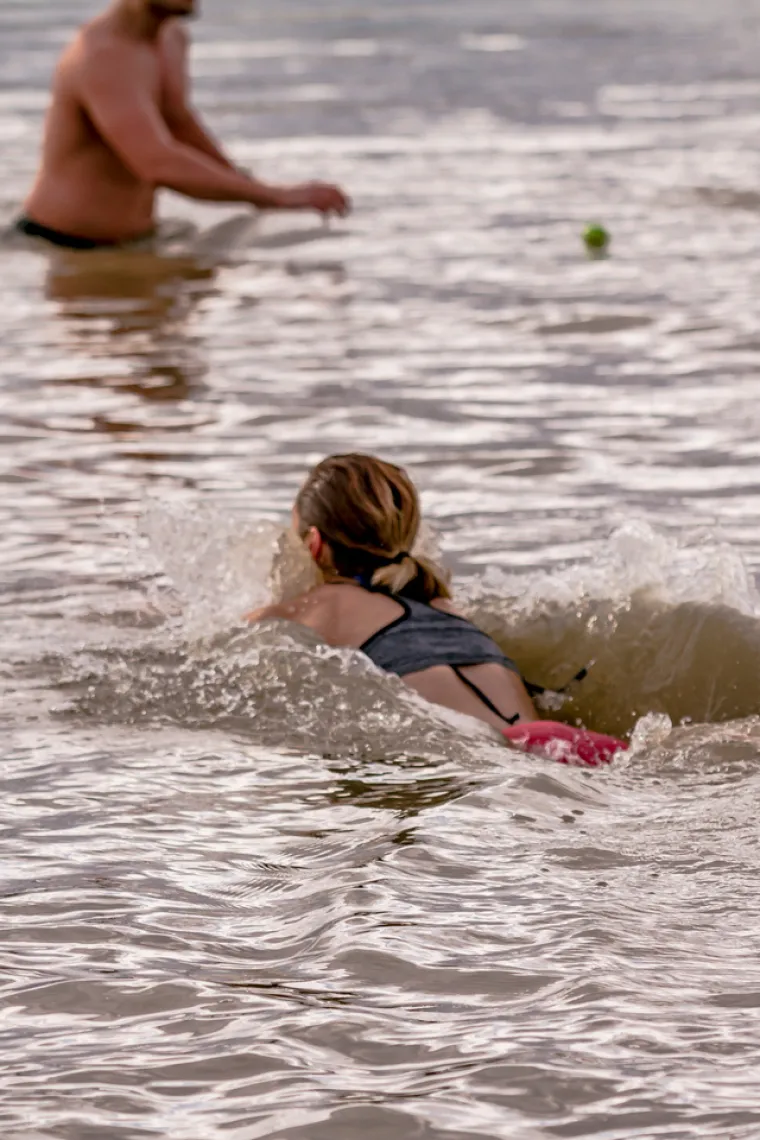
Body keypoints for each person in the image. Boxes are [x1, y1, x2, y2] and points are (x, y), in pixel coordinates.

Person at [247, 454, 628, 764]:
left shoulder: (318, 607)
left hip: (505, 754)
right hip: (567, 743)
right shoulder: (441, 603)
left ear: (313, 544)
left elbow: (225, 655)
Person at [16, 0, 350, 250]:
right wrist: (276, 196)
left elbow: (179, 123)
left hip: (135, 244)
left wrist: (250, 188)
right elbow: (157, 163)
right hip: (65, 247)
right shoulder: (103, 57)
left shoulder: (171, 37)